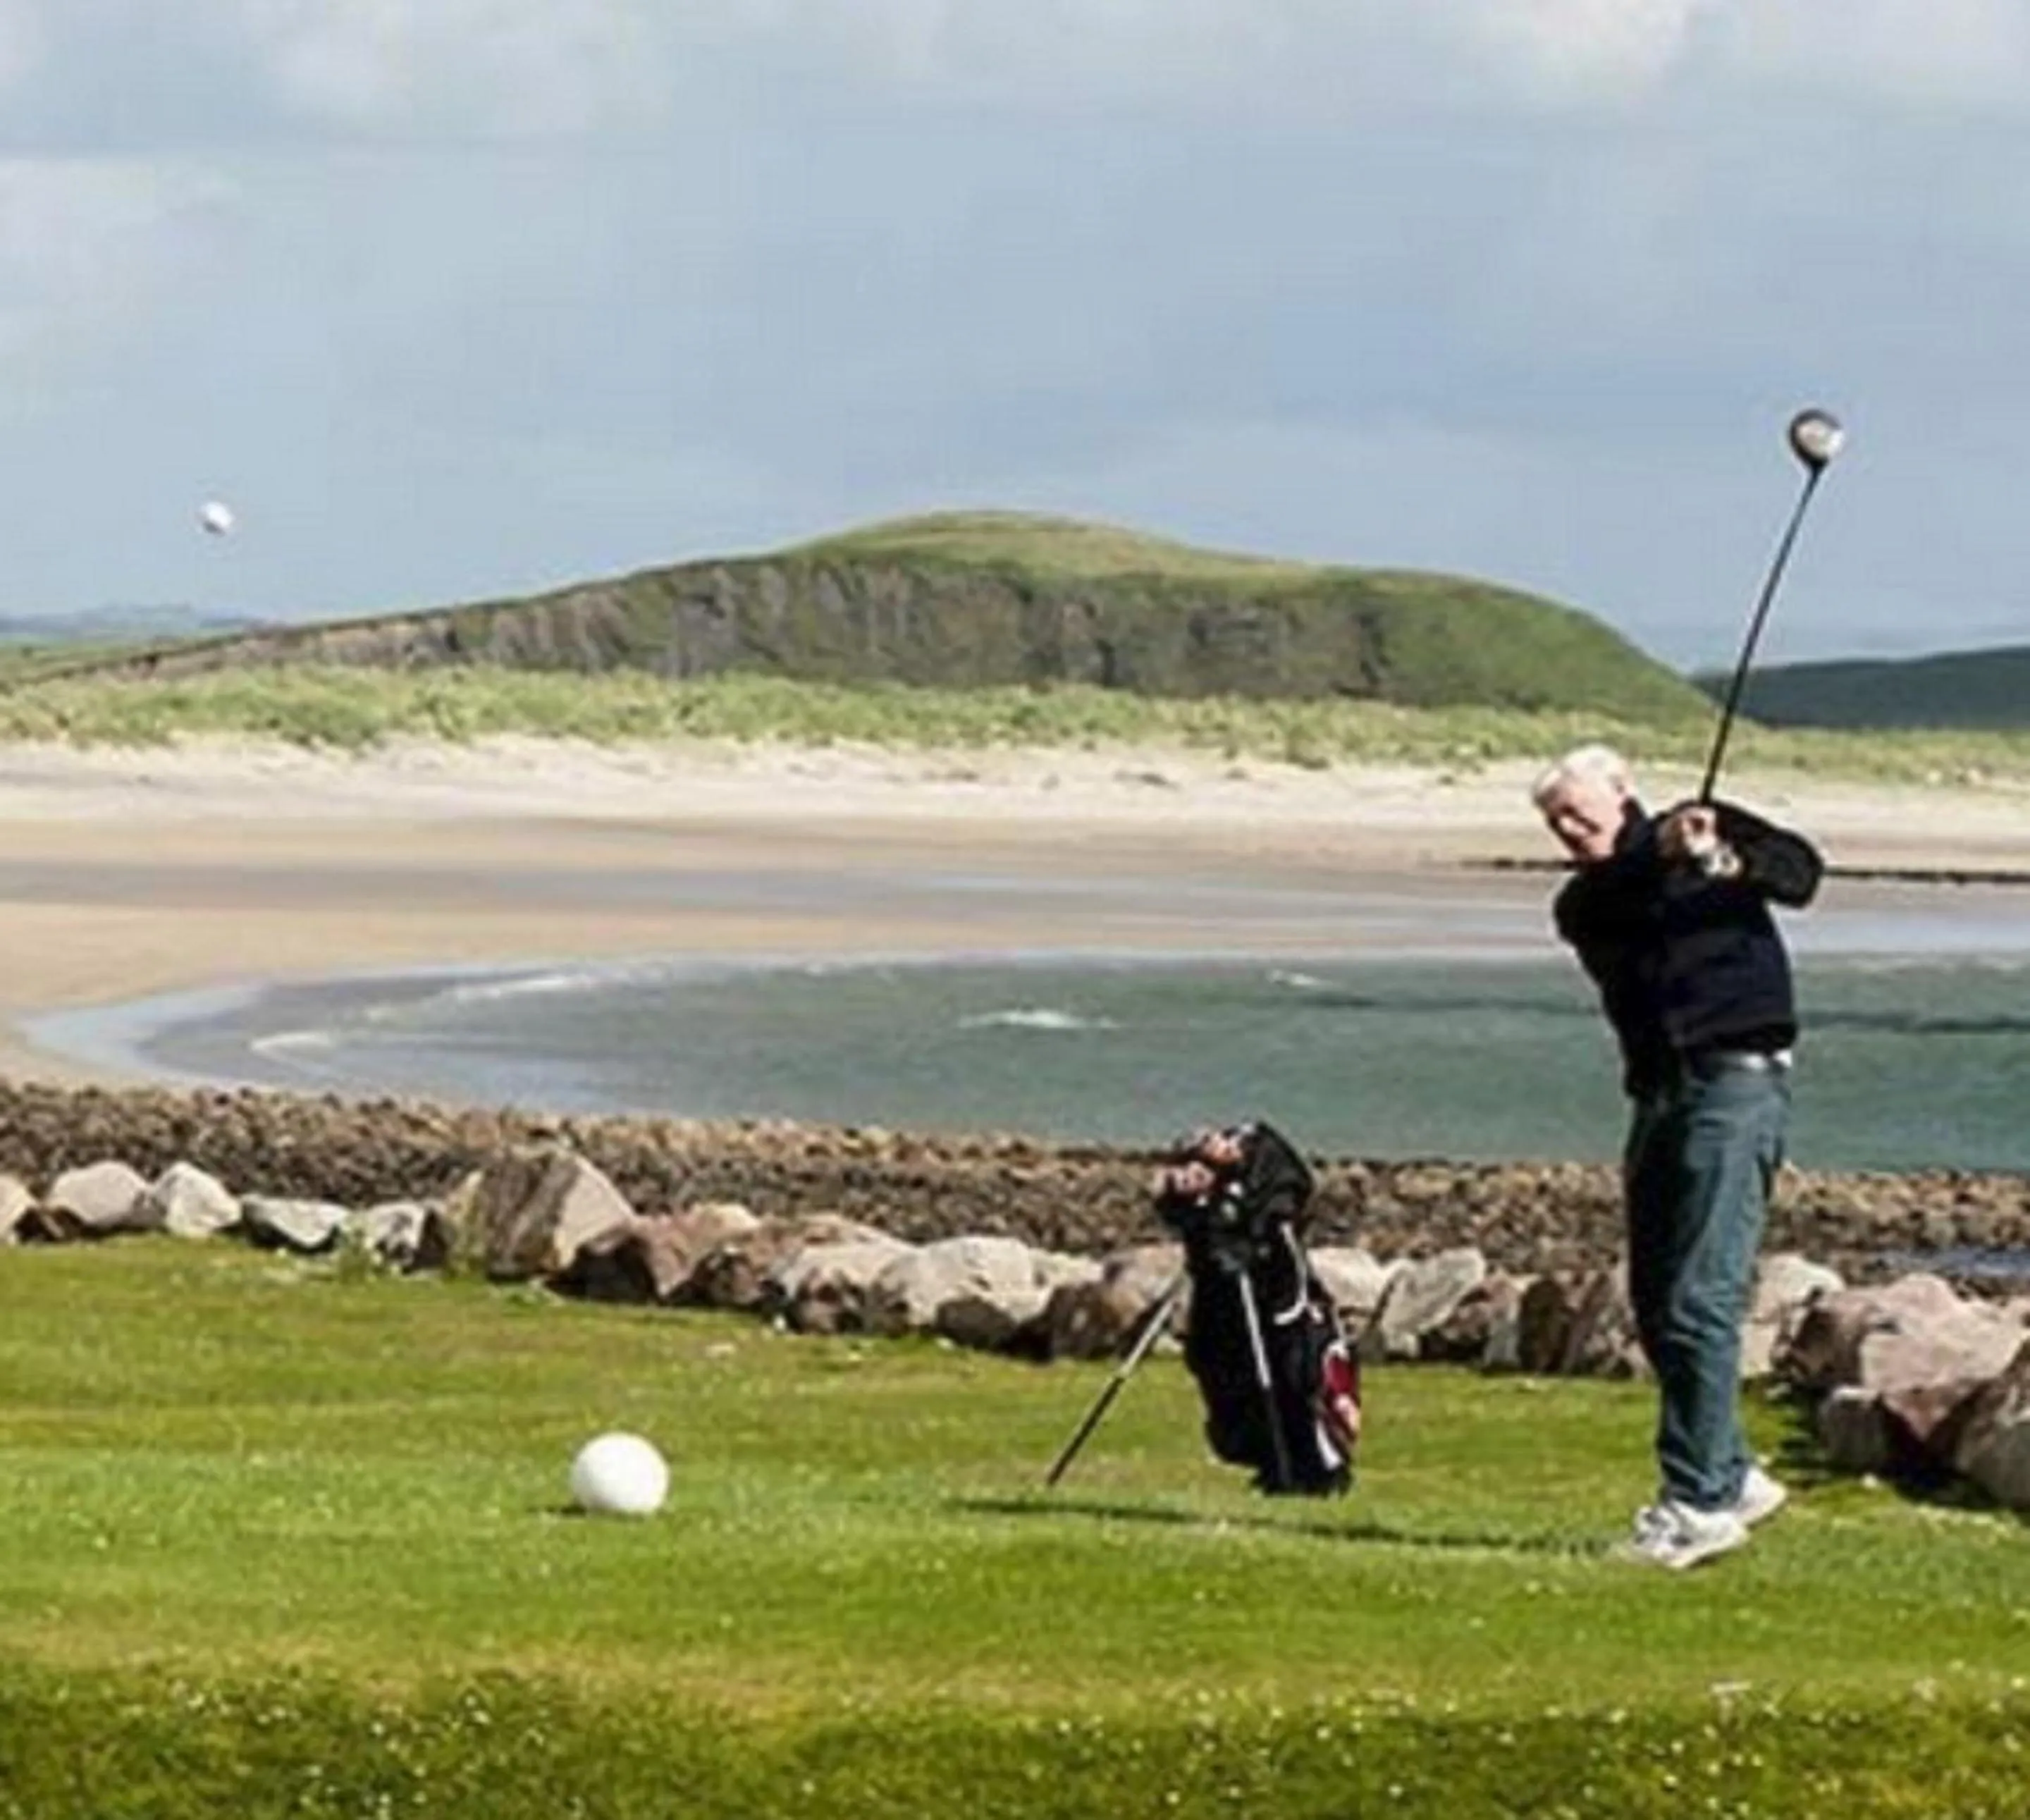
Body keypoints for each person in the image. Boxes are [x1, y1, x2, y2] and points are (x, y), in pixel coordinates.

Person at [1532, 743, 1823, 1570]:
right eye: (1556, 820)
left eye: (1579, 812)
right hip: (1661, 1094)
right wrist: (1664, 854)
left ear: (1624, 792)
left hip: (1736, 1083)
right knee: (1659, 1297)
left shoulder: (1705, 829)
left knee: (1702, 1294)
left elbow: (1800, 873)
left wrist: (1721, 856)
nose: (1568, 828)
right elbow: (1621, 896)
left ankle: (1698, 1502)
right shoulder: (1586, 899)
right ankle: (1731, 1473)